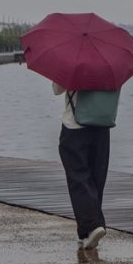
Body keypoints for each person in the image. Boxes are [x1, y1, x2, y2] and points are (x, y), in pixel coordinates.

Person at [54, 82, 109, 250]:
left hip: (74, 125)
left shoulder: (71, 59)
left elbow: (57, 89)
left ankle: (92, 226)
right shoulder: (105, 61)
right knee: (96, 177)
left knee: (78, 177)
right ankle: (85, 231)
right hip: (101, 124)